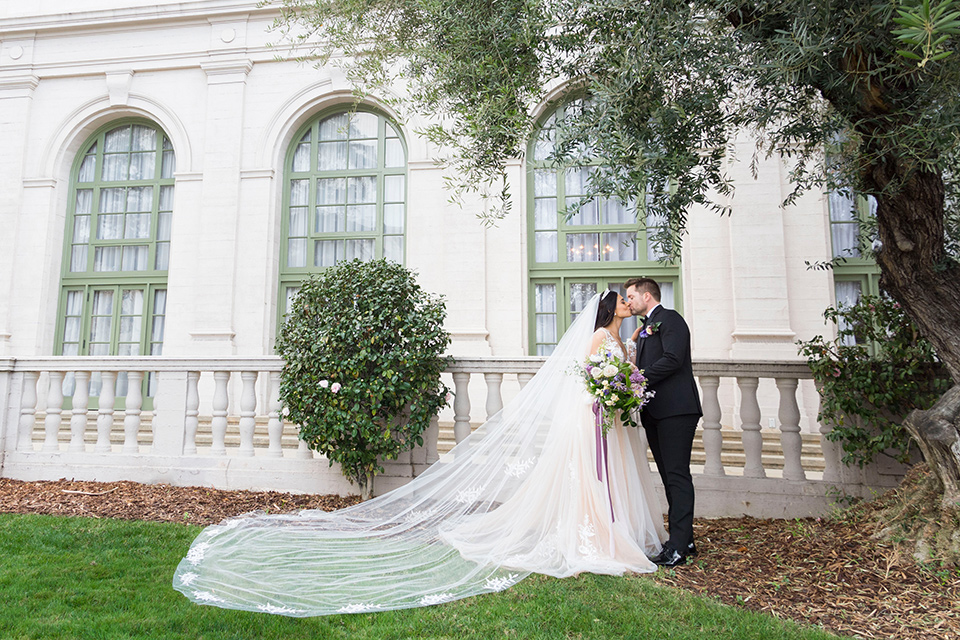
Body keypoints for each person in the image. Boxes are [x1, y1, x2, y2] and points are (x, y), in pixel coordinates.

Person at [173, 291, 666, 616]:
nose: (628, 303)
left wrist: (622, 389)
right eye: (622, 301)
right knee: (589, 479)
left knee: (608, 479)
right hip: (590, 417)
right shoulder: (600, 336)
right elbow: (583, 376)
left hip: (610, 419)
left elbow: (616, 375)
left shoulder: (622, 337)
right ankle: (591, 536)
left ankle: (608, 531)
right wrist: (609, 390)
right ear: (609, 310)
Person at [625, 277, 702, 567]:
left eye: (631, 296)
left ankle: (678, 547)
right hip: (656, 412)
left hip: (677, 410)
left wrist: (638, 378)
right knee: (669, 476)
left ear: (647, 296)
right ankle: (686, 539)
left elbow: (672, 359)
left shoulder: (670, 320)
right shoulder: (644, 329)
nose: (629, 302)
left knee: (678, 475)